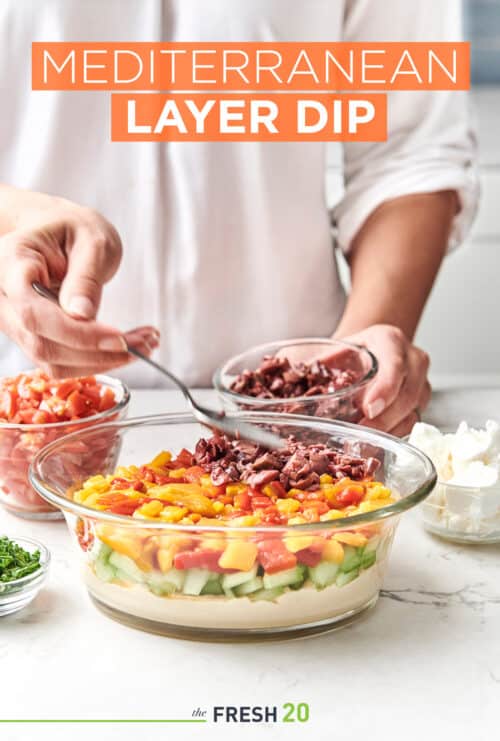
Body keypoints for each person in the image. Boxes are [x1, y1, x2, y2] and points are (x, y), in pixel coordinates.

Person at [0, 0, 477, 436]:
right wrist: (16, 218)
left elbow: (409, 152)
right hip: (32, 413)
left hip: (302, 407)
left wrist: (356, 371)